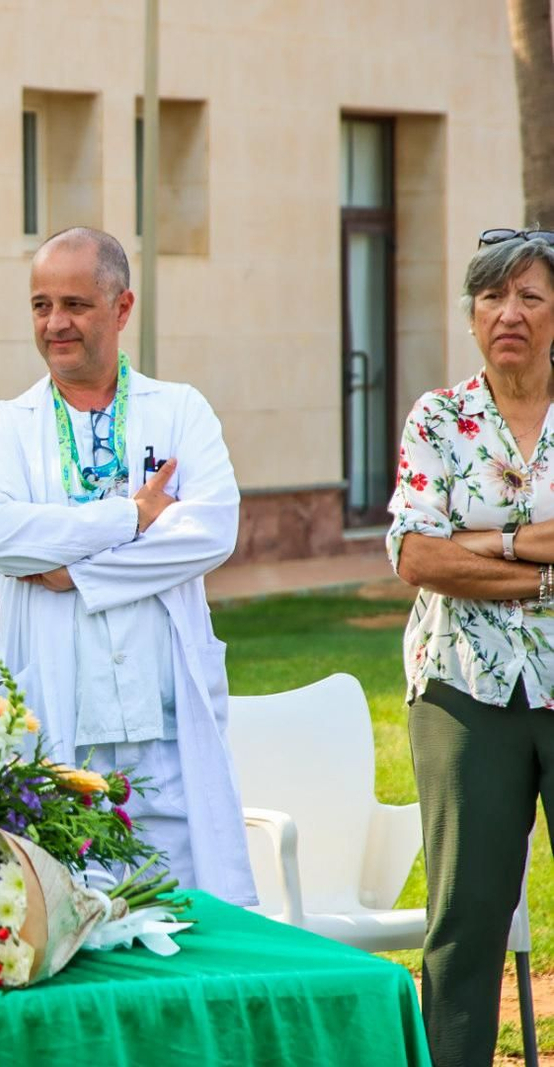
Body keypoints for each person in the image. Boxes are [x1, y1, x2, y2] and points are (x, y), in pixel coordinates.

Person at [0, 226, 254, 905]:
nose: (55, 323)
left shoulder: (180, 410)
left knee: (185, 912)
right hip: (57, 717)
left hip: (163, 725)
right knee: (63, 916)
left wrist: (75, 573)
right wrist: (131, 517)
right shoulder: (6, 427)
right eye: (40, 305)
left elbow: (210, 530)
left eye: (75, 304)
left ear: (122, 309)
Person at [388, 228, 554, 1067]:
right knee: (465, 914)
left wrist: (480, 542)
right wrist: (537, 554)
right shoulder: (439, 419)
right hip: (461, 689)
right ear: (472, 315)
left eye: (529, 296)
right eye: (492, 297)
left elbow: (444, 547)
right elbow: (417, 557)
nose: (508, 314)